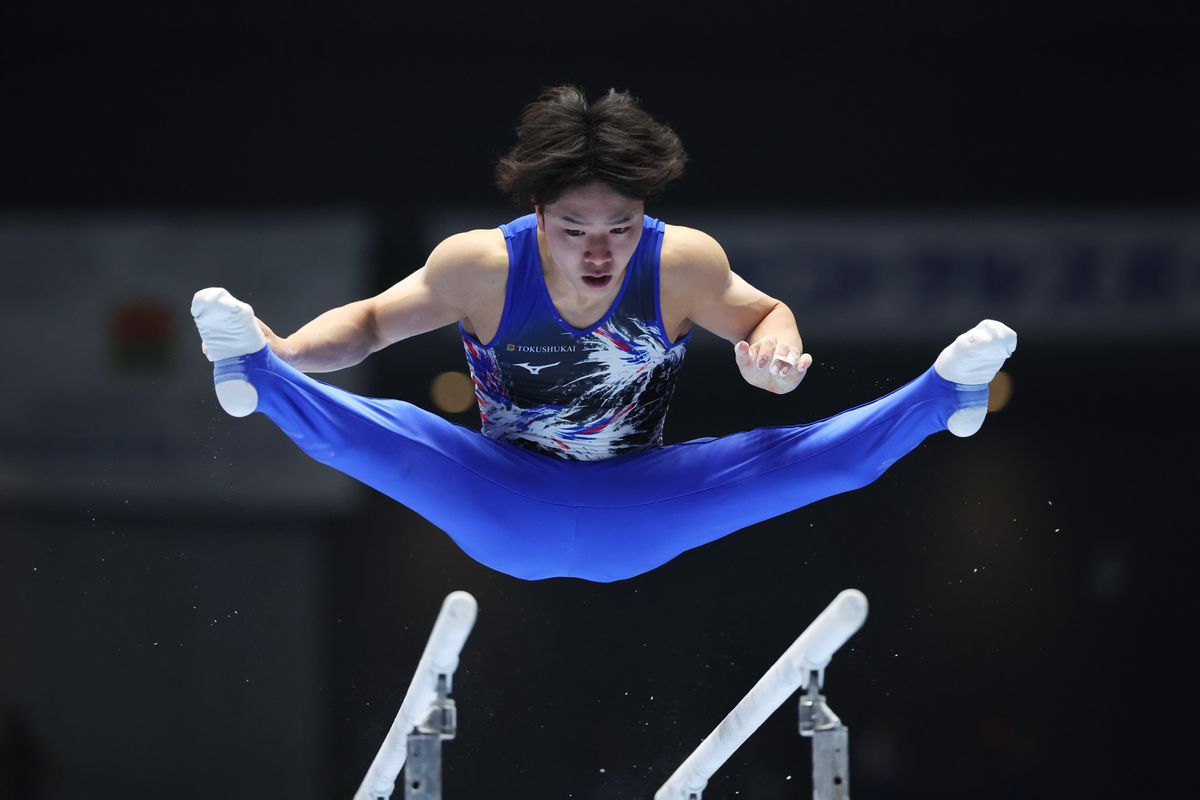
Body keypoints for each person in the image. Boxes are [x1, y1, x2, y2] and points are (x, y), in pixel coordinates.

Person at [191, 85, 1017, 583]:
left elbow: (764, 314)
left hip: (644, 503)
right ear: (536, 214)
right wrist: (296, 350)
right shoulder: (478, 266)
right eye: (575, 229)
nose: (599, 251)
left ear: (645, 214)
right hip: (502, 493)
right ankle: (257, 369)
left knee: (817, 458)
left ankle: (948, 389)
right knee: (388, 438)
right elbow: (370, 324)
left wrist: (770, 349)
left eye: (620, 228)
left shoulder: (684, 264)